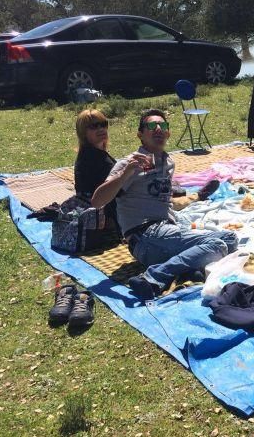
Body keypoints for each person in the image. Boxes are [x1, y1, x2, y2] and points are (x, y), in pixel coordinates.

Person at [91, 109, 237, 300]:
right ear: (140, 135)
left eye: (163, 126)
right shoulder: (129, 163)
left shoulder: (168, 161)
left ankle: (186, 267)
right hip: (144, 236)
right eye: (152, 126)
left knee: (231, 238)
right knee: (217, 245)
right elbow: (97, 201)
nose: (159, 129)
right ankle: (154, 276)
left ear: (168, 133)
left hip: (166, 230)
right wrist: (125, 173)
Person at [74, 109, 119, 233]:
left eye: (104, 124)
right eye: (94, 126)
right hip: (105, 217)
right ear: (83, 133)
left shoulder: (93, 153)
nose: (101, 129)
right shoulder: (93, 159)